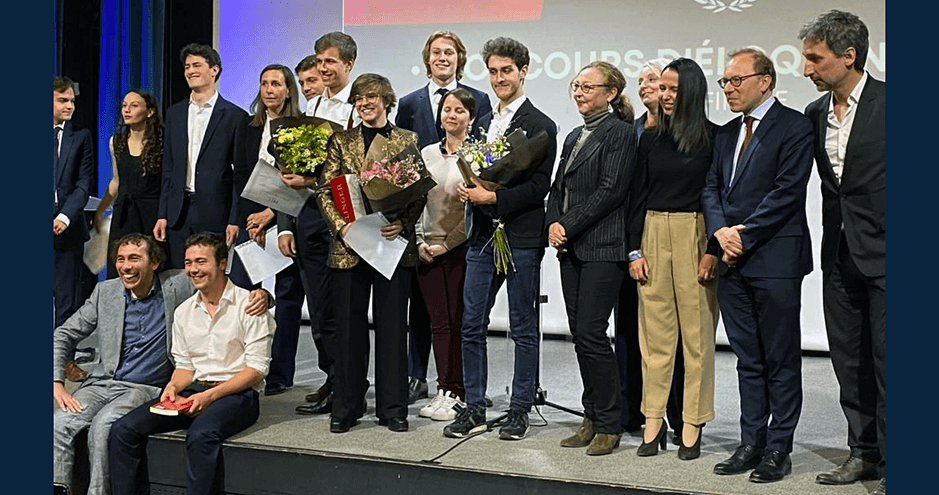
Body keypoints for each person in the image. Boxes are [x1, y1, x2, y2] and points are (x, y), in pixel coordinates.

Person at [53, 234, 270, 495]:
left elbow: (255, 364)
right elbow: (184, 366)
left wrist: (266, 296)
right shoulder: (115, 294)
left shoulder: (182, 287)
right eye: (121, 259)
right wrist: (56, 382)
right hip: (115, 383)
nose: (126, 266)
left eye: (135, 258)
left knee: (109, 426)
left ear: (154, 262)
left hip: (182, 389)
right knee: (78, 425)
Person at [702, 48, 814, 483]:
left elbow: (787, 192)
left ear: (764, 80)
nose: (728, 88)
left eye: (735, 80)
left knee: (780, 357)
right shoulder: (727, 133)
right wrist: (720, 233)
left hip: (775, 259)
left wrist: (741, 236)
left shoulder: (794, 126)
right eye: (724, 82)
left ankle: (778, 447)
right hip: (732, 261)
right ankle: (751, 442)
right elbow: (710, 189)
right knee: (748, 358)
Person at [444, 37, 558, 441]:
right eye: (492, 71)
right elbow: (474, 172)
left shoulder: (541, 124)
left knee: (522, 327)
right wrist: (469, 189)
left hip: (522, 237)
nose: (498, 78)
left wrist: (495, 196)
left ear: (523, 71)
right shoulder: (480, 123)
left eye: (506, 70)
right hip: (481, 238)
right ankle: (474, 406)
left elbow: (539, 188)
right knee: (471, 323)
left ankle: (519, 409)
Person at [799, 11, 885, 494]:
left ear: (849, 56)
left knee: (892, 363)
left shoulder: (895, 102)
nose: (807, 69)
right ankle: (864, 454)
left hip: (891, 255)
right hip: (839, 256)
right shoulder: (813, 115)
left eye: (816, 59)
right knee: (850, 363)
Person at [315, 73, 428, 433]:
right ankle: (346, 407)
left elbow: (419, 192)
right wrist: (342, 227)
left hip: (391, 247)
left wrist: (404, 223)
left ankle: (393, 408)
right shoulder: (340, 140)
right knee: (349, 332)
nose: (364, 103)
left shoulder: (406, 139)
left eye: (372, 97)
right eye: (359, 98)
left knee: (393, 331)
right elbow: (324, 190)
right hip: (349, 248)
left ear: (386, 100)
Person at [627, 58, 719, 460]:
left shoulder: (715, 138)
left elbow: (719, 198)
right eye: (660, 88)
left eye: (672, 89)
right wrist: (634, 250)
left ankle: (693, 421)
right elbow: (637, 197)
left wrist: (713, 249)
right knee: (655, 338)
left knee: (697, 337)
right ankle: (653, 419)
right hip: (652, 232)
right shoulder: (648, 138)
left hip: (694, 234)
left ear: (692, 92)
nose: (663, 96)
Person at [395, 31, 493, 405]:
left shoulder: (481, 100)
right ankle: (418, 376)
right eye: (435, 52)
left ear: (459, 58)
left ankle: (456, 386)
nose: (441, 57)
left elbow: (483, 160)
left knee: (459, 317)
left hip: (461, 229)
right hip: (424, 222)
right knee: (425, 313)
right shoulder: (408, 103)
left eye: (448, 52)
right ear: (427, 58)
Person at [545, 61, 635, 456]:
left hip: (602, 246)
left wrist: (568, 224)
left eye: (587, 86)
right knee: (580, 335)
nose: (579, 93)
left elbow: (611, 190)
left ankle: (610, 423)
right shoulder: (574, 135)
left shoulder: (619, 133)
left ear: (611, 93)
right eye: (575, 86)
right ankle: (591, 415)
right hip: (572, 247)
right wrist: (552, 223)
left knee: (594, 335)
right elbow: (557, 187)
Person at [280, 32, 360, 415]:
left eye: (330, 61)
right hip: (310, 216)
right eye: (319, 60)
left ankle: (348, 383)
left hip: (343, 217)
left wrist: (313, 180)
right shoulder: (310, 104)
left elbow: (360, 169)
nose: (323, 68)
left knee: (340, 308)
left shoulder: (355, 110)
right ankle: (332, 377)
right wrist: (284, 222)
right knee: (319, 308)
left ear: (348, 64)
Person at [615, 57, 686, 441]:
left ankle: (675, 417)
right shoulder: (631, 131)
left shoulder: (684, 134)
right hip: (631, 242)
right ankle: (633, 412)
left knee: (669, 336)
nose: (645, 86)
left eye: (654, 80)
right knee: (629, 330)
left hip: (669, 241)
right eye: (641, 81)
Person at [234, 64, 308, 397]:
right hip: (249, 222)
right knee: (242, 296)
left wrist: (271, 215)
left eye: (276, 84)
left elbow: (300, 183)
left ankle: (280, 372)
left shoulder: (303, 128)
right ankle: (240, 368)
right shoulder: (247, 128)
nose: (269, 90)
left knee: (289, 297)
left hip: (286, 220)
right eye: (264, 83)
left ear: (289, 90)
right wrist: (242, 220)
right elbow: (238, 178)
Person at [154, 43, 249, 270]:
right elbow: (169, 168)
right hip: (179, 211)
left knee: (213, 273)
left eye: (197, 65)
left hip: (215, 211)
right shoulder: (174, 113)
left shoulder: (235, 116)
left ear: (214, 70)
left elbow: (240, 175)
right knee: (180, 274)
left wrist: (234, 219)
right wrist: (163, 214)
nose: (190, 71)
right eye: (187, 67)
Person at [414, 88, 475, 421]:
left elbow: (471, 214)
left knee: (458, 322)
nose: (451, 115)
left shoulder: (477, 156)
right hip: (426, 249)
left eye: (459, 110)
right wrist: (420, 241)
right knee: (439, 324)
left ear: (472, 117)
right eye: (446, 109)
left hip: (458, 250)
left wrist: (446, 245)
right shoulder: (425, 154)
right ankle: (444, 389)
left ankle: (459, 391)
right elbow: (416, 202)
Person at [94, 90, 165, 280]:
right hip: (124, 214)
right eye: (124, 105)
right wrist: (100, 211)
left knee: (151, 267)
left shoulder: (162, 142)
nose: (127, 110)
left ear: (149, 112)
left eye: (134, 106)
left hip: (151, 213)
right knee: (120, 268)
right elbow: (117, 181)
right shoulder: (116, 142)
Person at [54, 75, 95, 383]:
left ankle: (63, 361)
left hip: (67, 229)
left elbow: (84, 184)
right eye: (62, 100)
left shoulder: (80, 136)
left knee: (67, 300)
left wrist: (66, 216)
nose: (70, 106)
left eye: (72, 101)